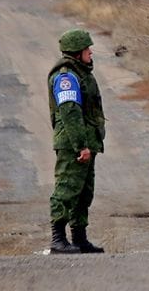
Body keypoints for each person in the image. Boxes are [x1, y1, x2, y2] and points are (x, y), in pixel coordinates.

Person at [48, 28, 106, 254]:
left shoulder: (81, 73)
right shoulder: (66, 77)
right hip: (73, 144)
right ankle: (58, 239)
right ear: (76, 52)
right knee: (66, 190)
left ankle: (79, 239)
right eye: (87, 49)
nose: (90, 53)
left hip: (86, 143)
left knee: (83, 193)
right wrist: (80, 145)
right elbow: (70, 112)